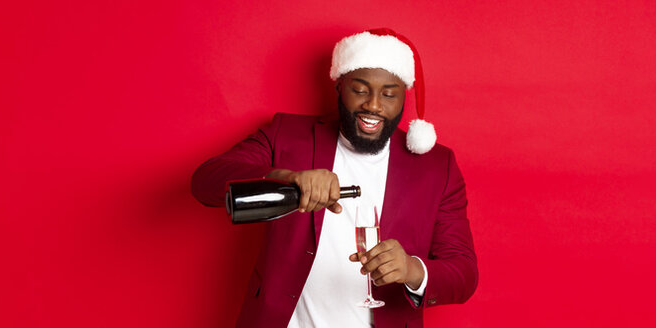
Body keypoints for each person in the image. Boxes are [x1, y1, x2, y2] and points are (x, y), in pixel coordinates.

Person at [191, 28, 477, 328]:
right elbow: (205, 182)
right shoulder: (287, 134)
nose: (374, 106)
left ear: (402, 97)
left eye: (389, 94)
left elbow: (464, 273)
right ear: (340, 86)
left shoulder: (436, 166)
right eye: (360, 89)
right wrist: (284, 178)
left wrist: (411, 270)